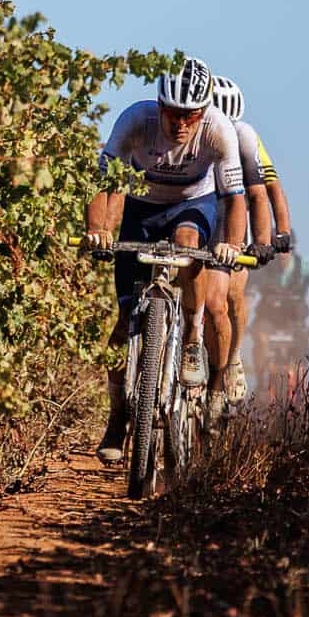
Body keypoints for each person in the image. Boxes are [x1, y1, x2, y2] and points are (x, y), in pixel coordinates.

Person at [85, 57, 250, 464]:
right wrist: (98, 230)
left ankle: (192, 339)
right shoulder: (133, 121)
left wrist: (231, 245)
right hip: (141, 210)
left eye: (190, 115)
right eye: (173, 114)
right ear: (158, 106)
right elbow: (103, 184)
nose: (180, 124)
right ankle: (118, 418)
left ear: (204, 112)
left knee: (189, 241)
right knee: (123, 324)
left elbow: (235, 199)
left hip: (192, 206)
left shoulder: (218, 130)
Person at [205, 75, 296, 414]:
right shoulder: (197, 132)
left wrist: (278, 233)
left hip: (234, 209)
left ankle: (234, 358)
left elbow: (268, 188)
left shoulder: (246, 137)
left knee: (232, 293)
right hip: (199, 206)